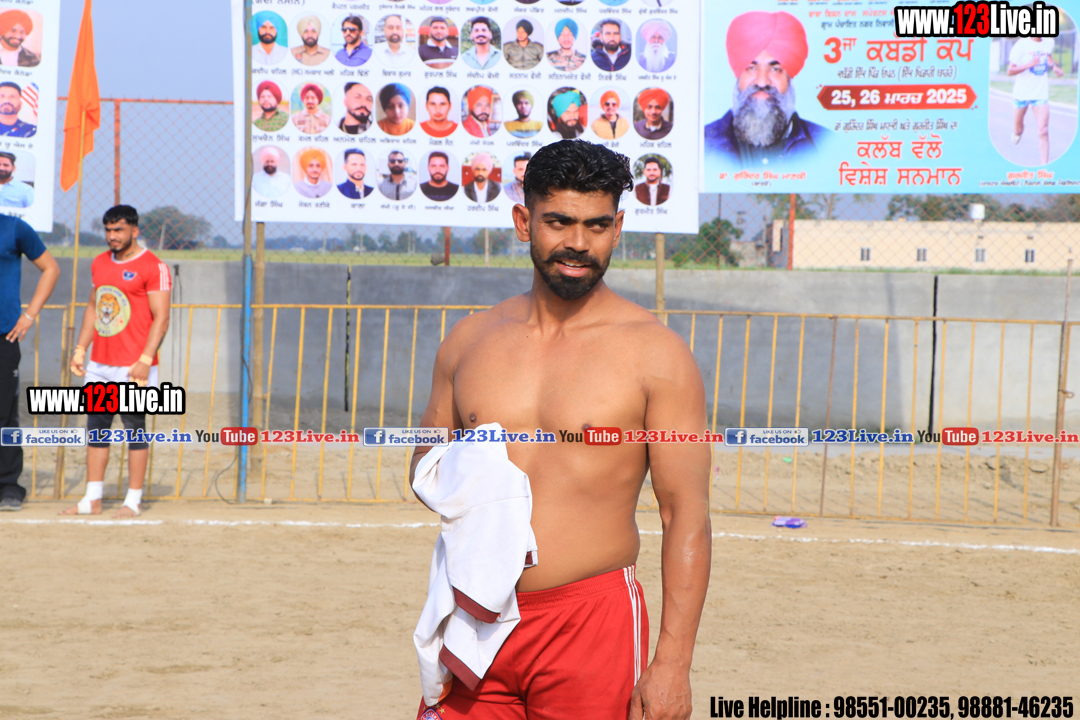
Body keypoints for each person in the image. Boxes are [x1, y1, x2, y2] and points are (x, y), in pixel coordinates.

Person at [409, 139, 710, 720]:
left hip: (590, 623)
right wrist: (483, 475)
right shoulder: (469, 342)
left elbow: (686, 515)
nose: (578, 243)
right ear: (524, 222)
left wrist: (673, 662)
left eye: (596, 225)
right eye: (559, 222)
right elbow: (425, 469)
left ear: (617, 228)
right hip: (475, 620)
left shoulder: (657, 355)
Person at [63, 205, 171, 519]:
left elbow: (162, 318)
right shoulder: (99, 262)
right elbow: (93, 307)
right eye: (109, 230)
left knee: (135, 428)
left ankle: (133, 501)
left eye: (119, 230)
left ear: (134, 231)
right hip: (100, 364)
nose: (113, 236)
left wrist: (145, 359)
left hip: (134, 365)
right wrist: (81, 348)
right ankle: (92, 499)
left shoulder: (154, 266)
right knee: (96, 429)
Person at [703, 11, 829, 167]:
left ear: (789, 78)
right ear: (738, 75)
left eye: (775, 69)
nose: (762, 82)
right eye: (751, 68)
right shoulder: (700, 143)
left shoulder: (826, 145)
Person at [0, 214, 58, 511]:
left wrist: (29, 315)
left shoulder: (14, 228)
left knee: (4, 413)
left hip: (4, 336)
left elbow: (51, 268)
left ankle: (8, 486)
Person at [1008, 35, 1064, 165]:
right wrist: (1030, 64)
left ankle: (1044, 166)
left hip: (1040, 93)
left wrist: (1054, 66)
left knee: (1043, 131)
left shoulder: (1049, 42)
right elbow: (1010, 70)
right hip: (1021, 94)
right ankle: (1017, 132)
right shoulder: (1021, 45)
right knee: (1018, 130)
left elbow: (1048, 57)